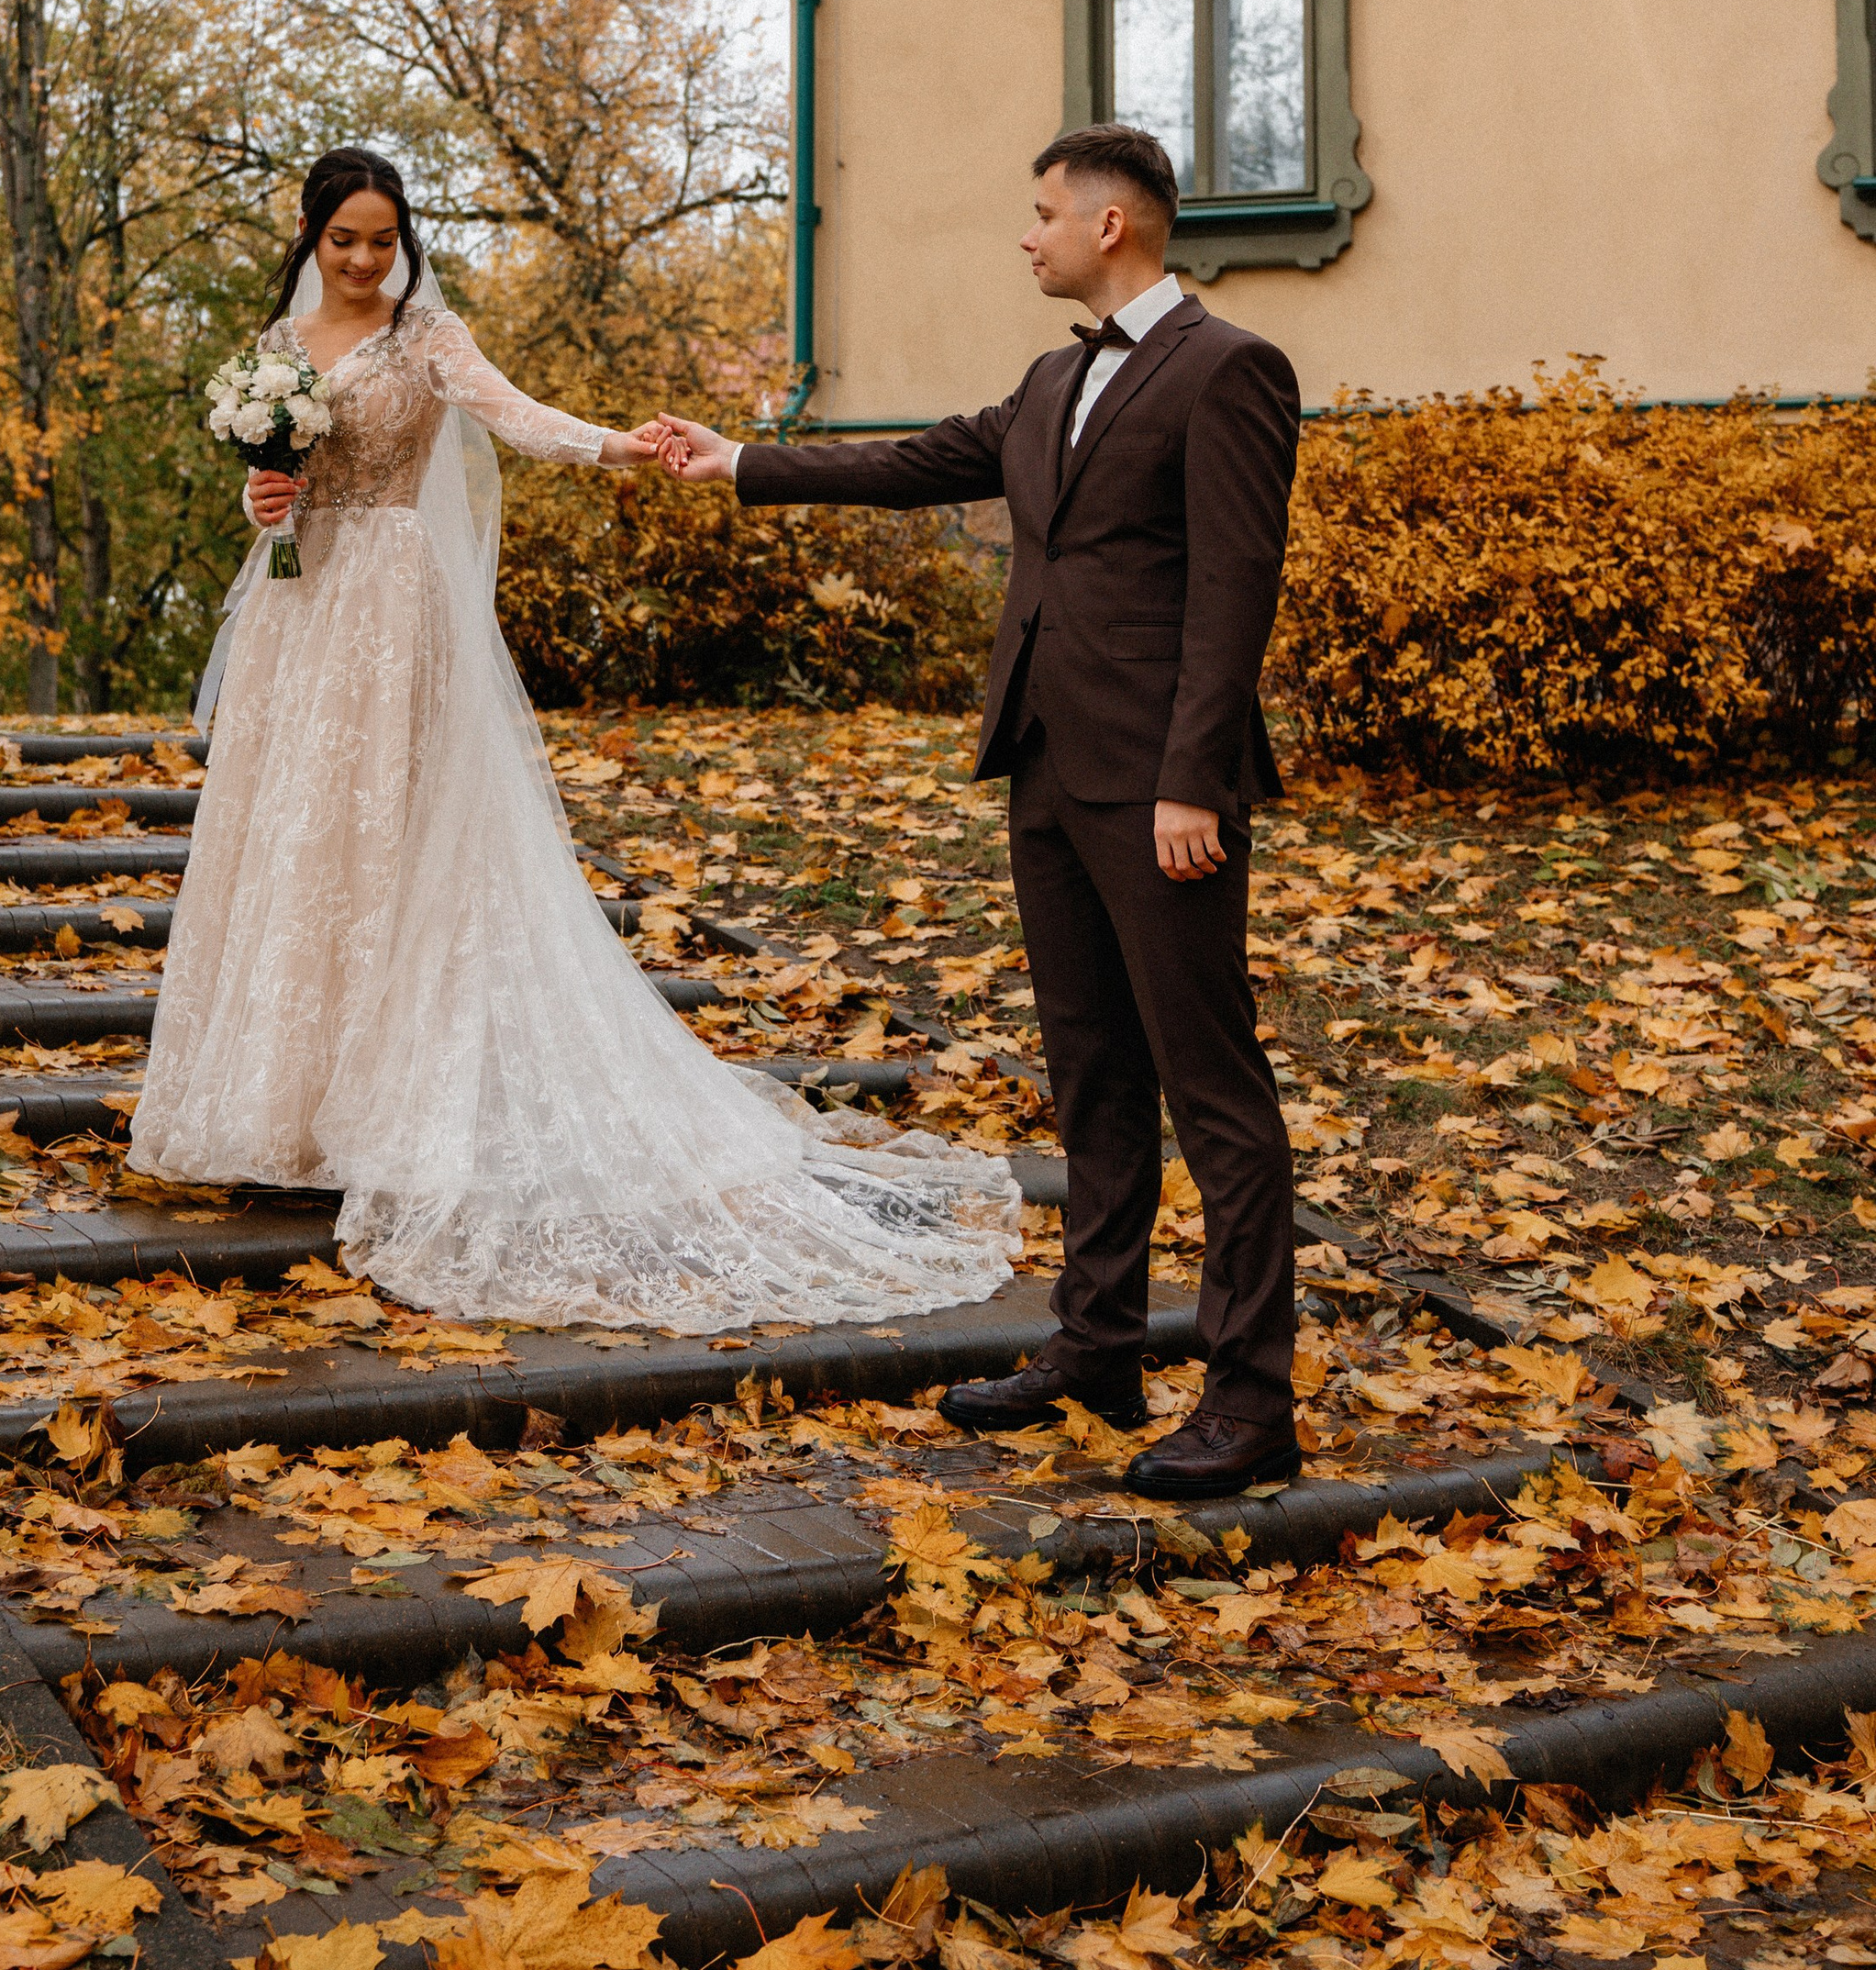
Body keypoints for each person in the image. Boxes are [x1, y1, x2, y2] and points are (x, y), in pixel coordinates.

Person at [128, 147, 1020, 1336]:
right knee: (294, 844)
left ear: (403, 243)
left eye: (382, 240)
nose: (362, 259)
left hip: (396, 605)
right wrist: (261, 499)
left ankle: (382, 1119)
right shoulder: (275, 353)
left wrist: (626, 446)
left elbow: (516, 417)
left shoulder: (426, 335)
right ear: (310, 237)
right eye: (344, 238)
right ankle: (275, 1116)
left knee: (389, 850)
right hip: (302, 607)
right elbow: (266, 474)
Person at [652, 124, 1303, 1502]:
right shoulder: (1053, 376)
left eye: (1043, 212)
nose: (1028, 235)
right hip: (1049, 768)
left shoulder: (1230, 370)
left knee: (1214, 1090)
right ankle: (1098, 1347)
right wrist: (741, 464)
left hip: (1161, 788)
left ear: (1112, 225)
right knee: (1093, 1072)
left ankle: (1252, 1402)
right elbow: (916, 463)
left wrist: (1196, 775)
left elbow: (1236, 590)